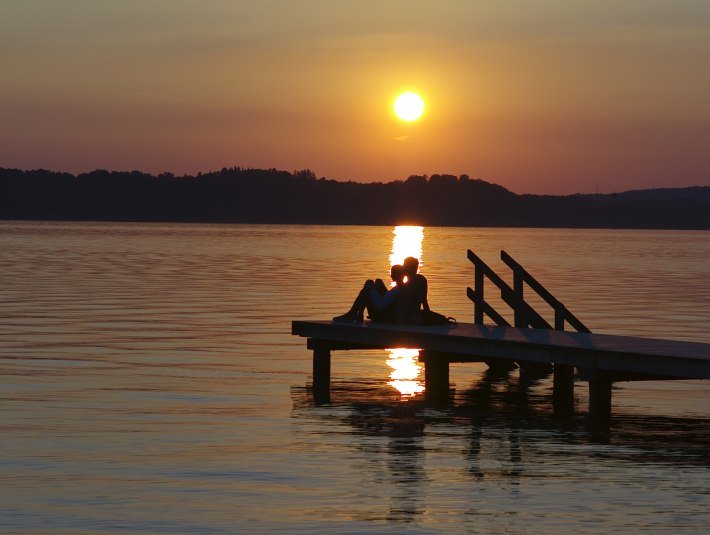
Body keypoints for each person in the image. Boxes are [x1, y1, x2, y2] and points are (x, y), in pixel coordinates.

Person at [333, 264, 405, 323]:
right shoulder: (401, 287)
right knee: (378, 281)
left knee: (367, 287)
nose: (391, 275)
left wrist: (372, 292)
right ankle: (359, 314)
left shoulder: (397, 290)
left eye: (392, 273)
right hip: (385, 310)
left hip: (380, 315)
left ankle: (352, 314)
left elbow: (381, 305)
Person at [397, 256, 430, 323]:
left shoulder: (407, 284)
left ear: (410, 268)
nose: (403, 267)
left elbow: (403, 304)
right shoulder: (422, 279)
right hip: (413, 314)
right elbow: (424, 301)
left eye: (405, 265)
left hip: (408, 316)